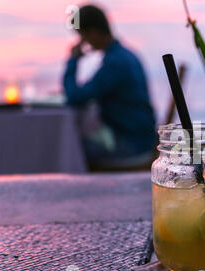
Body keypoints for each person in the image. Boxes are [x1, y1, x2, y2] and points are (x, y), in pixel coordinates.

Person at [63, 4, 156, 168]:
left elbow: (74, 97)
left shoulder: (115, 63)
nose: (83, 42)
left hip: (132, 146)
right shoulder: (124, 56)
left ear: (92, 32)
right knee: (74, 146)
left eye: (82, 36)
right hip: (141, 140)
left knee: (69, 150)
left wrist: (73, 60)